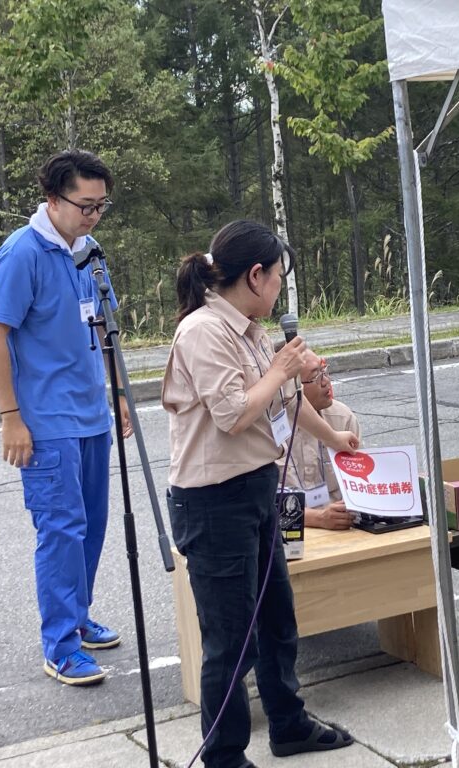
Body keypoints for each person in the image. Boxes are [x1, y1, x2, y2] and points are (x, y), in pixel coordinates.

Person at [163, 220, 358, 768]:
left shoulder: (250, 329)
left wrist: (335, 436)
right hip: (213, 501)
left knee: (277, 618)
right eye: (277, 278)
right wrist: (279, 367)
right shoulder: (203, 331)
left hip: (256, 488)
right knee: (230, 640)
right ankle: (223, 756)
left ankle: (288, 723)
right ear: (255, 275)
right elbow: (232, 415)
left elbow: (286, 405)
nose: (279, 291)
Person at [0, 150, 132, 687]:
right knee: (60, 530)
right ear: (53, 199)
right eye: (84, 205)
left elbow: (103, 327)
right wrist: (10, 417)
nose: (92, 215)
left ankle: (79, 616)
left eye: (100, 206)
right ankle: (60, 646)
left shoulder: (89, 255)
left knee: (89, 526)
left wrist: (118, 395)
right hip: (46, 421)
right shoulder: (22, 254)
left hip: (92, 416)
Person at [279, 349, 360, 530]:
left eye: (325, 371)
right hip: (286, 533)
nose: (326, 382)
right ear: (290, 388)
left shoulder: (342, 417)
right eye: (316, 377)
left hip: (342, 529)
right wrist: (317, 518)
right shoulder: (266, 428)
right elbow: (261, 504)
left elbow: (363, 484)